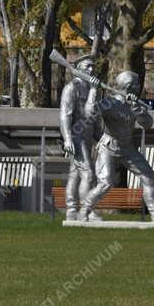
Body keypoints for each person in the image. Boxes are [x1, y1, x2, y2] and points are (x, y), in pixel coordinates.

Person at [80, 71, 154, 223]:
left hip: (127, 147)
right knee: (105, 183)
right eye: (137, 84)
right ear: (130, 87)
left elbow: (147, 124)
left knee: (148, 176)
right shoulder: (109, 103)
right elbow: (89, 113)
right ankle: (84, 211)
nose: (139, 87)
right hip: (108, 146)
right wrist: (93, 90)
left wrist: (136, 107)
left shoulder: (134, 103)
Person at [58, 55, 100, 221]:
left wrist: (99, 136)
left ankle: (71, 209)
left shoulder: (90, 87)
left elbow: (92, 116)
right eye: (88, 66)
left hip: (88, 136)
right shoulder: (71, 88)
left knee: (75, 174)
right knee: (88, 174)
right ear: (79, 68)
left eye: (93, 67)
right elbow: (64, 116)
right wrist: (67, 138)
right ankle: (87, 210)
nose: (92, 70)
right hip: (76, 137)